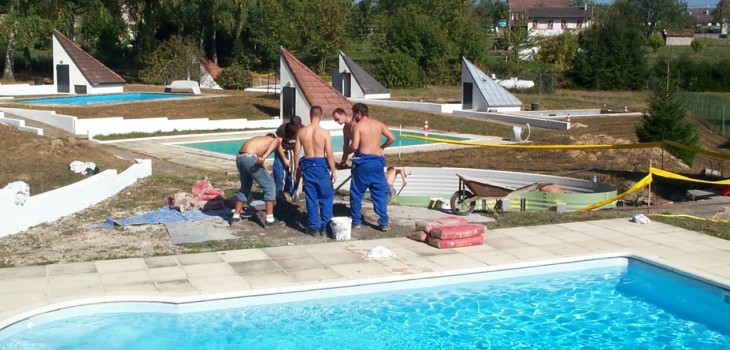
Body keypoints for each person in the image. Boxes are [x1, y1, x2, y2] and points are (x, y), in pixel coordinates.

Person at [348, 102, 395, 231]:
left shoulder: (358, 126)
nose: (353, 117)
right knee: (379, 192)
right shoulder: (379, 124)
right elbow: (392, 138)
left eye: (354, 114)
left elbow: (355, 146)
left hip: (363, 162)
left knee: (357, 192)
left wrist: (346, 152)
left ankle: (356, 221)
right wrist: (382, 147)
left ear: (358, 113)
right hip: (378, 161)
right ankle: (384, 221)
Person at [293, 106, 337, 237]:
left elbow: (296, 153)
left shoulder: (301, 132)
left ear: (309, 115)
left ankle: (313, 228)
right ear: (321, 115)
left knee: (311, 198)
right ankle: (325, 226)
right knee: (326, 197)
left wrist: (296, 170)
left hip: (307, 166)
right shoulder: (324, 133)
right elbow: (329, 154)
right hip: (320, 166)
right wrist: (333, 170)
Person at [230, 133, 286, 227]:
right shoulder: (272, 139)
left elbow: (260, 167)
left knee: (245, 187)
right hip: (250, 158)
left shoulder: (257, 140)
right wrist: (267, 157)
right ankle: (270, 219)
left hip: (240, 158)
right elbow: (277, 141)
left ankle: (235, 216)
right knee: (270, 186)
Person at [274, 116, 303, 199]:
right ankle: (279, 192)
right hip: (282, 151)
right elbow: (278, 145)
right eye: (295, 128)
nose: (297, 130)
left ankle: (292, 191)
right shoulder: (282, 129)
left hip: (294, 151)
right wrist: (284, 159)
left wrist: (296, 157)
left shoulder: (302, 129)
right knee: (279, 171)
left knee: (294, 171)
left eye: (298, 128)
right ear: (290, 125)